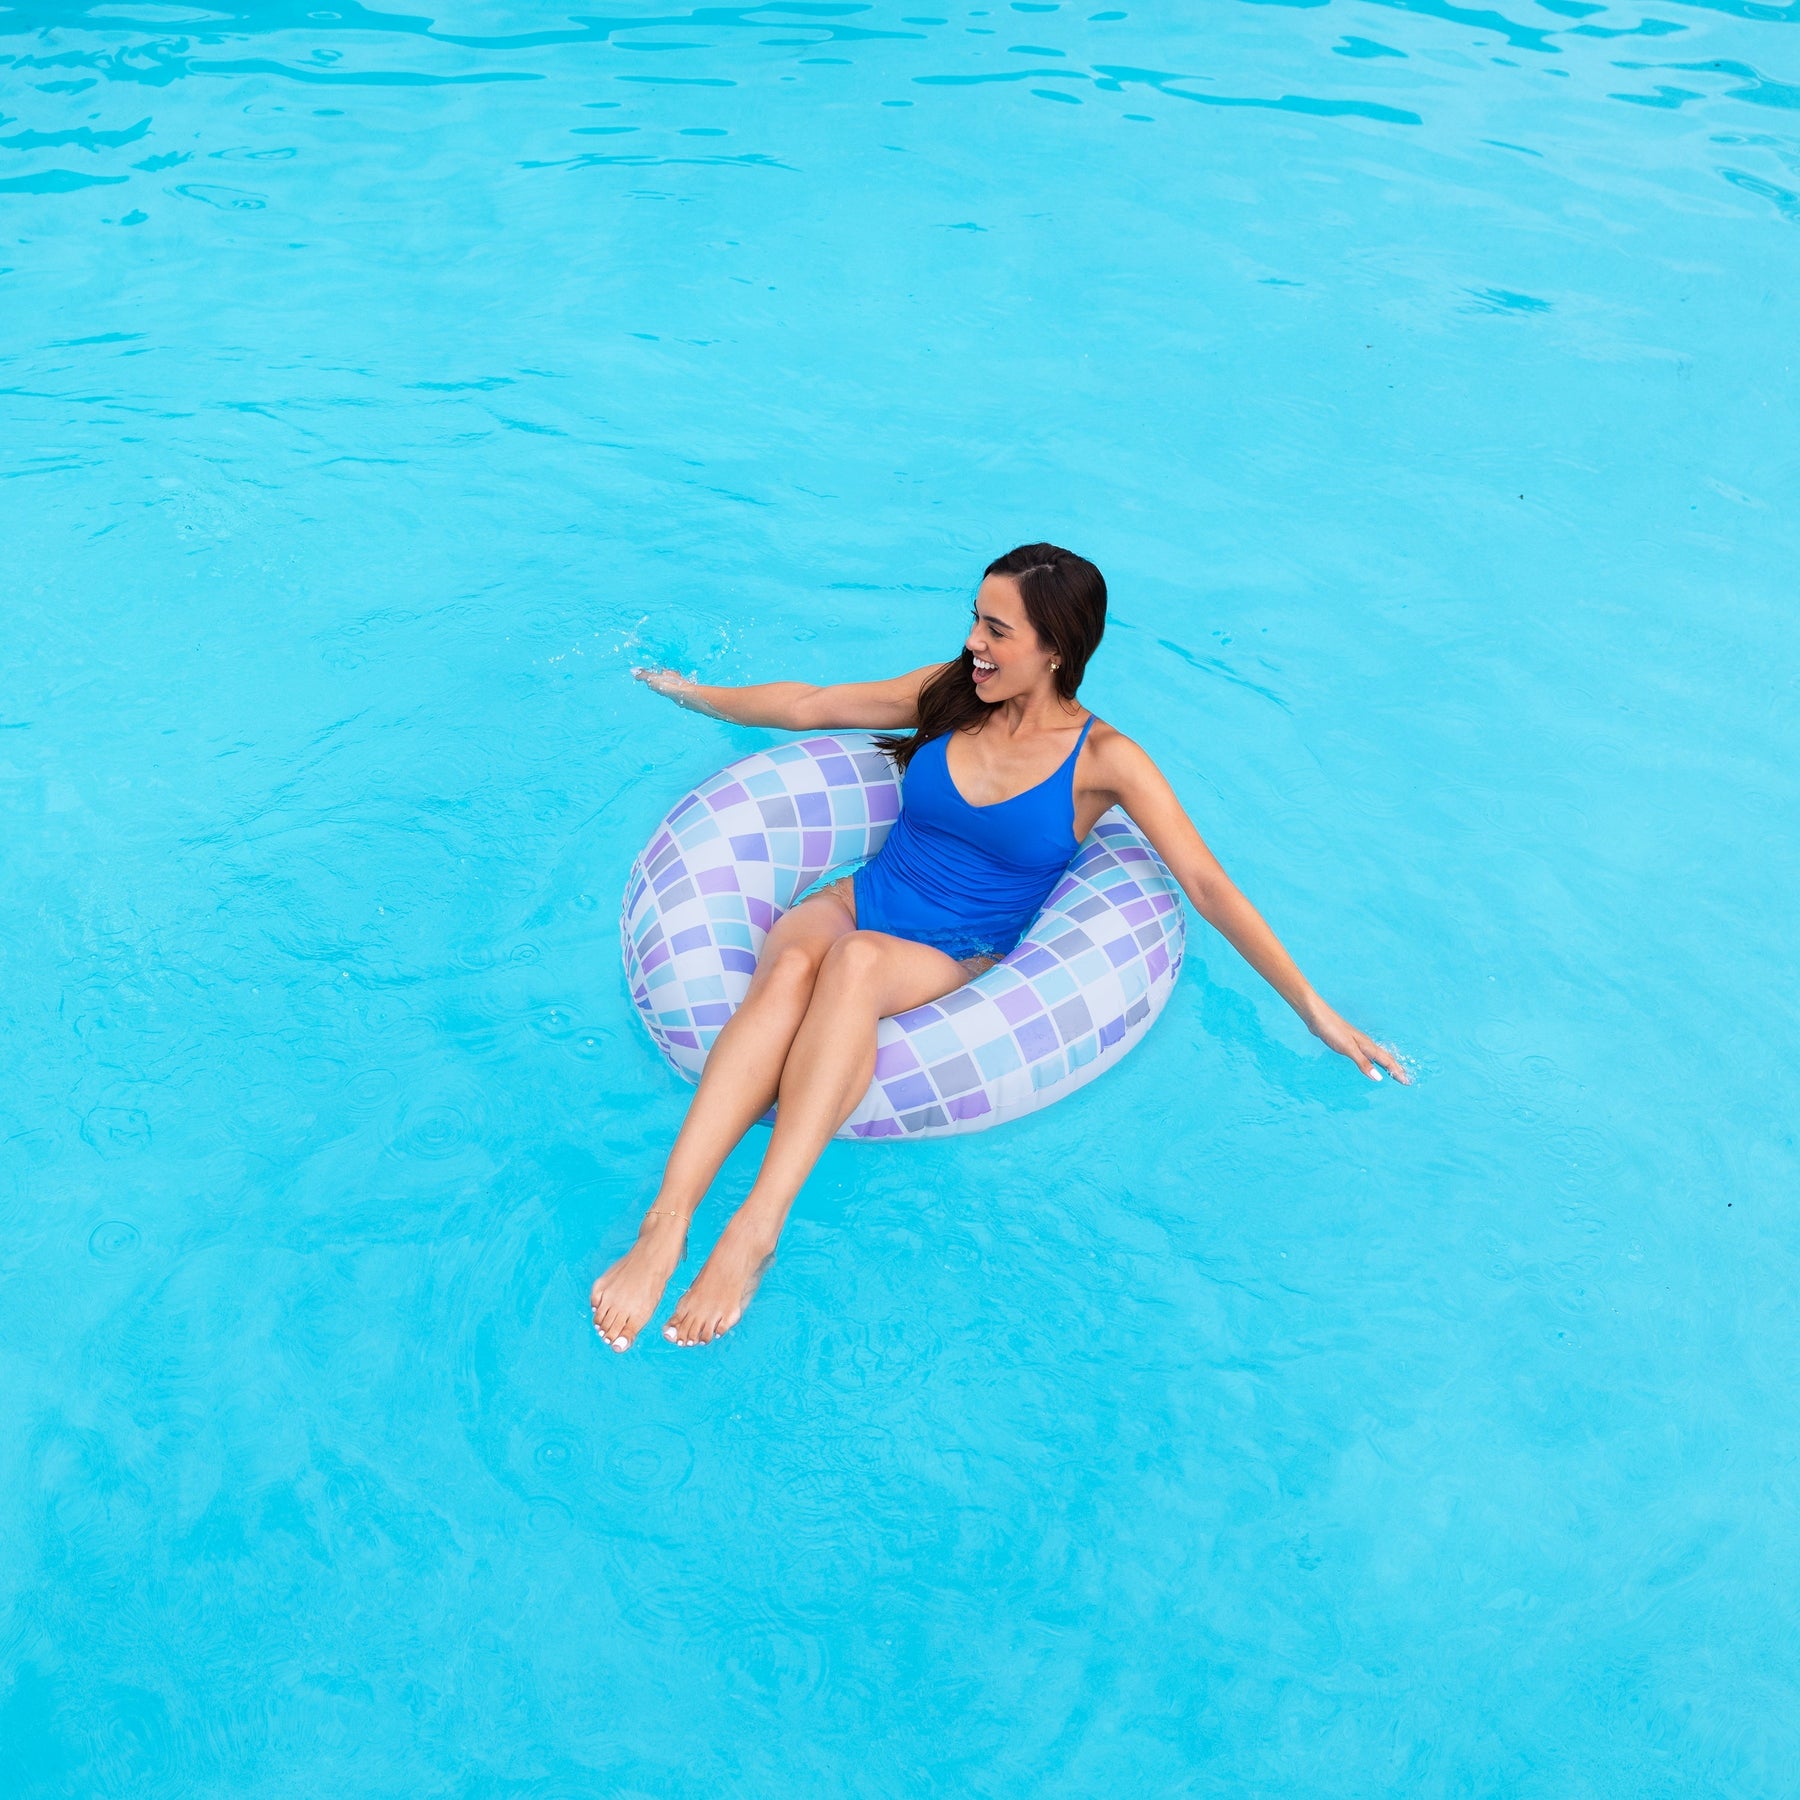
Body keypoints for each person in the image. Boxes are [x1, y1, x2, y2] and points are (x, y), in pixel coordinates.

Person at [591, 544, 1407, 1353]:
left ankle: (754, 1231)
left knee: (856, 964)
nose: (974, 642)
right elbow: (812, 705)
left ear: (1056, 649)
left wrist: (1313, 1009)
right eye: (975, 620)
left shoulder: (1103, 761)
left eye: (996, 629)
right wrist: (693, 696)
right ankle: (665, 1226)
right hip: (863, 897)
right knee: (798, 959)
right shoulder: (952, 694)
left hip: (957, 946)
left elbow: (1207, 884)